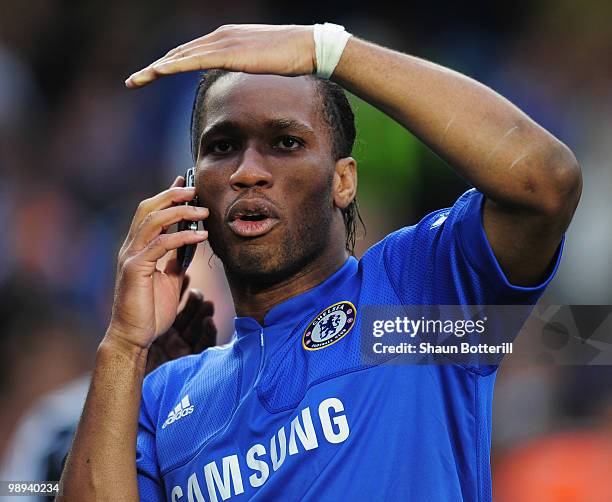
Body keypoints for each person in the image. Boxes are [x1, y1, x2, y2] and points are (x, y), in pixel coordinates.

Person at [58, 23, 581, 501]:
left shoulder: (412, 296)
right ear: (191, 191)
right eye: (222, 146)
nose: (247, 172)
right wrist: (124, 345)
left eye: (285, 142)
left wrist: (329, 50)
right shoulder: (167, 395)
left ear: (343, 180)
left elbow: (545, 181)